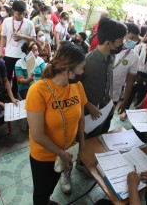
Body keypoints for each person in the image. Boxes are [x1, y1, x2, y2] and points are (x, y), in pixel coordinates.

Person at [26, 43, 88, 203]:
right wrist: (62, 154)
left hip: (68, 151)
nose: (83, 72)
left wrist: (81, 145)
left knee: (50, 187)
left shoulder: (77, 86)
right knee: (41, 192)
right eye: (81, 68)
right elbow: (37, 135)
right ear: (68, 69)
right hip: (45, 156)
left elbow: (81, 118)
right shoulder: (38, 90)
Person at [82, 18, 127, 137]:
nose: (122, 43)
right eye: (120, 41)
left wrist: (109, 101)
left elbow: (107, 81)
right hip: (87, 114)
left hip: (103, 110)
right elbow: (74, 88)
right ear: (108, 43)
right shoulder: (87, 62)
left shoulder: (111, 57)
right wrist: (88, 105)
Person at [0, 1, 36, 97]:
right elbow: (3, 36)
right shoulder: (6, 21)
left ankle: (15, 94)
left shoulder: (29, 23)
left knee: (19, 78)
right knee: (7, 77)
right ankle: (5, 95)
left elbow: (33, 38)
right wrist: (0, 51)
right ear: (13, 11)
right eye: (19, 13)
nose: (21, 16)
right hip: (9, 54)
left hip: (22, 55)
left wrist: (22, 36)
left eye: (23, 13)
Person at [112, 23, 139, 115]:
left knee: (106, 122)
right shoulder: (109, 48)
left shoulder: (134, 57)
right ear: (124, 35)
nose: (134, 41)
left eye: (136, 39)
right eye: (132, 37)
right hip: (98, 93)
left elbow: (130, 81)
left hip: (114, 96)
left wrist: (125, 101)